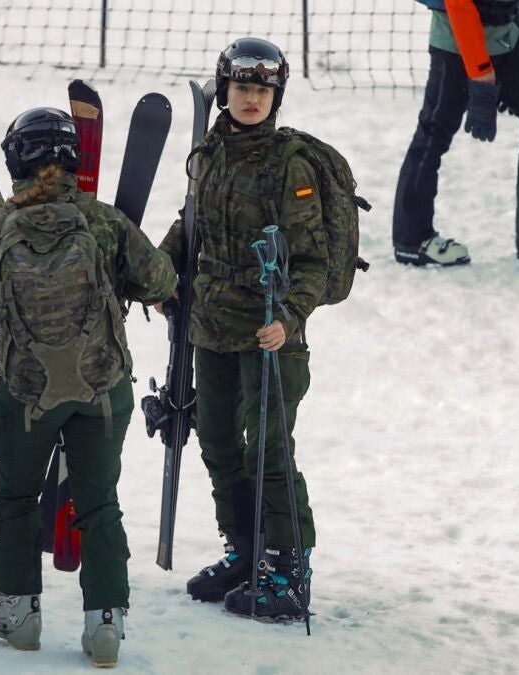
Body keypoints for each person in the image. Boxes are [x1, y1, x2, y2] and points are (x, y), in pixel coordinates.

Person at [0, 107, 176, 666]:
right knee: (100, 501)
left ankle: (18, 613)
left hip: (28, 393)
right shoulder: (102, 221)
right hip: (101, 387)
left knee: (15, 498)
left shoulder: (1, 229)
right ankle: (104, 624)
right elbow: (160, 279)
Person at [159, 37, 324, 621]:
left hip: (267, 329)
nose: (251, 99)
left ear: (277, 95)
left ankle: (288, 567)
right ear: (224, 90)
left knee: (268, 448)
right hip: (210, 322)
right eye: (241, 88)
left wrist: (289, 316)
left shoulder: (289, 163)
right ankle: (245, 551)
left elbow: (313, 260)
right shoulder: (208, 154)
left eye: (262, 90)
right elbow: (191, 225)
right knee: (218, 442)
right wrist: (160, 274)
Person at [393, 0, 519, 265]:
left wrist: (518, 31)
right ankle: (412, 240)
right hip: (456, 46)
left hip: (505, 41)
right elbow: (459, 5)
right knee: (433, 134)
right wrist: (482, 75)